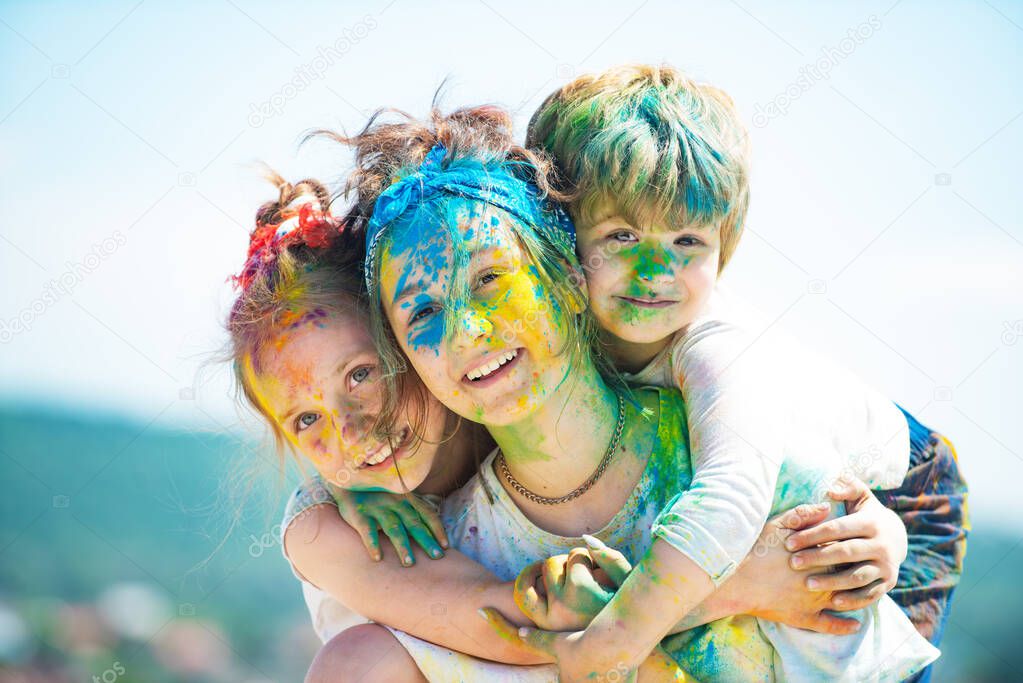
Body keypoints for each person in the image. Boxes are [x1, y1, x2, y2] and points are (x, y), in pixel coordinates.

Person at [345, 101, 935, 680]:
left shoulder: (729, 394)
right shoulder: (455, 540)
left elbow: (743, 500)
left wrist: (892, 534)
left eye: (491, 279)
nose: (467, 332)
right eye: (422, 312)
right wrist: (346, 495)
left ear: (569, 277)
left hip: (906, 465)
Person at [522, 64, 969, 681]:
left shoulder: (717, 345)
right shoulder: (537, 330)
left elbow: (730, 498)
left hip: (898, 482)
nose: (655, 271)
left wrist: (612, 637)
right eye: (622, 235)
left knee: (842, 635)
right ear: (558, 231)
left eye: (687, 241)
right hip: (761, 487)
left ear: (724, 243)